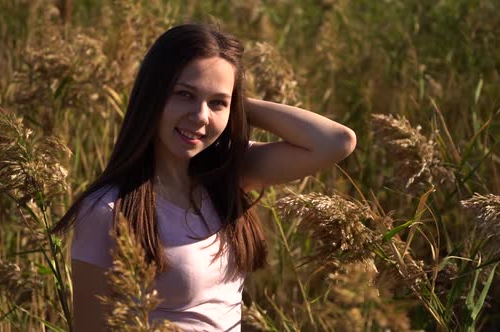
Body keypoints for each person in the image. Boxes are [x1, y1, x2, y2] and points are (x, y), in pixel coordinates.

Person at [52, 23, 356, 332]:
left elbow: (336, 142)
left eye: (217, 102)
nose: (200, 116)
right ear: (153, 95)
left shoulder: (227, 175)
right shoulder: (107, 209)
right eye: (185, 94)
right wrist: (220, 101)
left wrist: (237, 106)